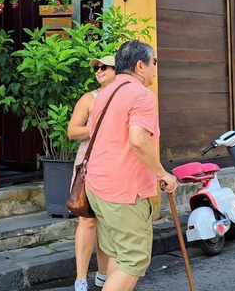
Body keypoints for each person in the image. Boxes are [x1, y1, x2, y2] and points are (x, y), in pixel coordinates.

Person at [84, 41, 177, 291]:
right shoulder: (142, 95)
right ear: (140, 66)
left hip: (98, 185)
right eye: (154, 62)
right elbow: (138, 141)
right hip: (124, 190)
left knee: (117, 252)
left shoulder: (105, 93)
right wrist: (162, 173)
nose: (155, 68)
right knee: (134, 259)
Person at [67, 55, 116, 291]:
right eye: (97, 67)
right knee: (88, 220)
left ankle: (104, 274)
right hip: (91, 166)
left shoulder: (127, 97)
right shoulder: (90, 98)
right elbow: (72, 131)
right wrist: (95, 128)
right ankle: (80, 278)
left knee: (109, 223)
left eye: (105, 66)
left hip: (117, 166)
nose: (99, 70)